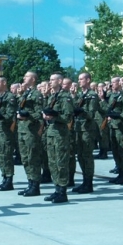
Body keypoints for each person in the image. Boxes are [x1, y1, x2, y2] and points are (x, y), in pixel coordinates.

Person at [42, 73, 74, 203]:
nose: (50, 82)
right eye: (49, 79)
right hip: (51, 132)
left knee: (61, 163)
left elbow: (67, 117)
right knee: (52, 162)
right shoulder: (52, 96)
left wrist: (54, 116)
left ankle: (62, 191)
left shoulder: (65, 97)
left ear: (60, 81)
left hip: (60, 134)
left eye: (52, 79)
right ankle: (57, 189)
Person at [15, 71, 44, 197]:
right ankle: (30, 183)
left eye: (26, 76)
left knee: (33, 158)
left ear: (33, 79)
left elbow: (39, 113)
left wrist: (27, 116)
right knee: (25, 159)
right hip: (22, 129)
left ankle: (35, 185)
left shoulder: (36, 94)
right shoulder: (26, 93)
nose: (24, 78)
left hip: (31, 130)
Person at [71, 72, 99, 194]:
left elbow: (91, 114)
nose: (79, 81)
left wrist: (81, 111)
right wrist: (73, 97)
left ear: (88, 80)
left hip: (87, 129)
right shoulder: (80, 95)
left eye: (81, 79)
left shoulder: (92, 95)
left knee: (87, 156)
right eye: (78, 79)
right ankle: (84, 181)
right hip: (78, 128)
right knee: (80, 156)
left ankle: (89, 183)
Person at [0, 76, 17, 191]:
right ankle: (4, 178)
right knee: (0, 155)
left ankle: (9, 180)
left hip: (5, 130)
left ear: (4, 83)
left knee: (6, 155)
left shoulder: (10, 97)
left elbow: (10, 114)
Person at [105, 76, 123, 184]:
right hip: (112, 126)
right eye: (111, 82)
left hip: (121, 126)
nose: (112, 84)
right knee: (115, 150)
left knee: (122, 150)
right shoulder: (112, 95)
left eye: (114, 82)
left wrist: (116, 115)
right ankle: (119, 172)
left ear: (119, 83)